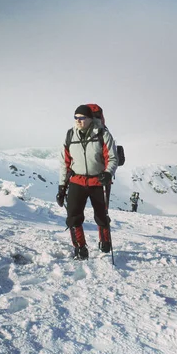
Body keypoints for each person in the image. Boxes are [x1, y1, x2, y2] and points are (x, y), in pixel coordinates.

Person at [56, 105, 119, 260]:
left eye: (82, 118)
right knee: (73, 216)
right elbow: (65, 163)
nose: (78, 121)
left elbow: (112, 158)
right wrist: (62, 187)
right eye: (76, 117)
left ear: (91, 119)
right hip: (77, 180)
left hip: (98, 181)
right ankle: (80, 248)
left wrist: (107, 173)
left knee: (101, 215)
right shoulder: (70, 135)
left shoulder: (102, 134)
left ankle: (105, 242)